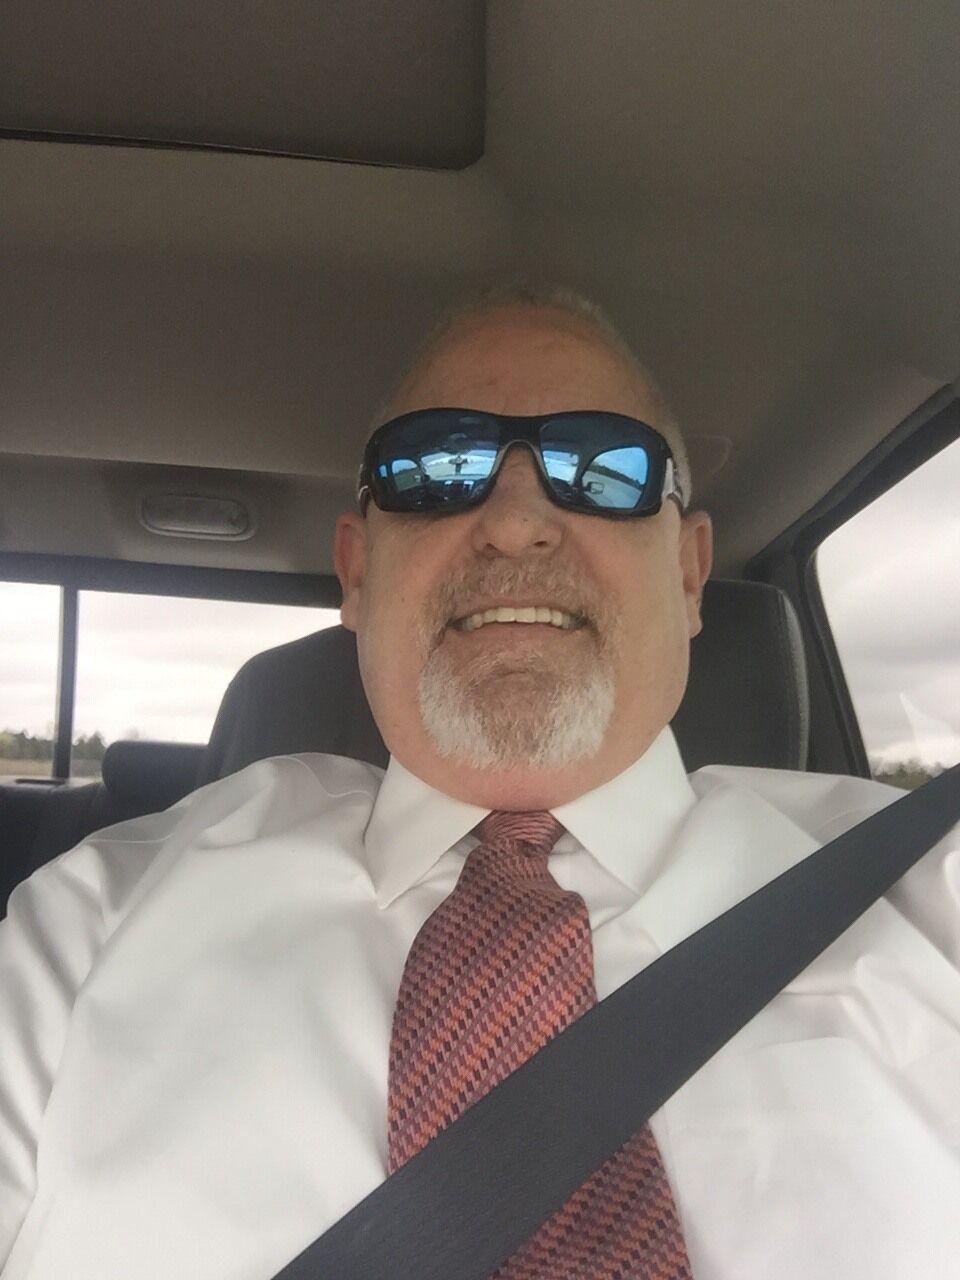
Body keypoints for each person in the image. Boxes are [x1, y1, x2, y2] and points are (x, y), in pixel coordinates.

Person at [0, 287, 958, 1280]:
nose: (514, 522)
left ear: (687, 572)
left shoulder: (926, 892)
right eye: (433, 467)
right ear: (357, 573)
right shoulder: (93, 924)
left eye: (603, 466)